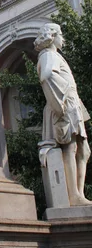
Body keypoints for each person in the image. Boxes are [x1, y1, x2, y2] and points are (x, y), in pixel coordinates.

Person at [35, 23, 91, 206]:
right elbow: (47, 75)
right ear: (52, 36)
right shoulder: (49, 55)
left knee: (84, 150)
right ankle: (74, 195)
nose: (63, 38)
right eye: (60, 34)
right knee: (70, 148)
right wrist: (64, 97)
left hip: (72, 105)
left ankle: (78, 193)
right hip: (66, 106)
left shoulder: (54, 55)